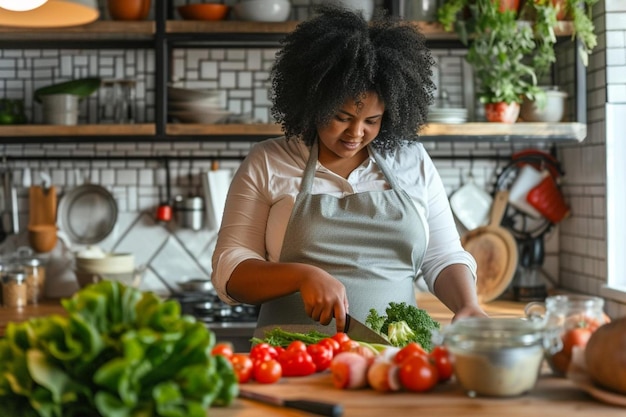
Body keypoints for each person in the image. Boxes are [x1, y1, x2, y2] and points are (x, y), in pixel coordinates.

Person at [211, 5, 488, 338]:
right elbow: (231, 268)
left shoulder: (412, 161)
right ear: (314, 103)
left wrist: (467, 304)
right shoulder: (268, 161)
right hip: (290, 361)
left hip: (397, 362)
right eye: (342, 117)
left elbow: (442, 256)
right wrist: (301, 276)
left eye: (372, 121)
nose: (355, 133)